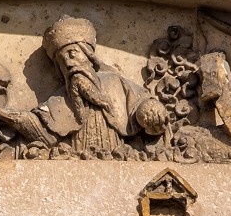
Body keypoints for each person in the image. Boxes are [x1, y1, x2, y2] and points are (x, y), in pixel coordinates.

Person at [36, 16, 169, 158]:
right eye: (62, 61)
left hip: (117, 155)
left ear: (88, 55)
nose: (68, 63)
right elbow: (39, 123)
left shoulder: (113, 81)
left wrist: (149, 109)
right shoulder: (59, 98)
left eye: (72, 54)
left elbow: (140, 102)